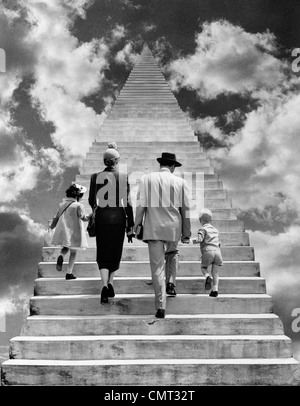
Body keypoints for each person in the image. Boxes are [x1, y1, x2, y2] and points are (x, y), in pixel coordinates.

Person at [134, 152, 191, 318]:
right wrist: (186, 233)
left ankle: (160, 306)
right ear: (172, 166)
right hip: (174, 228)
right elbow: (185, 210)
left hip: (153, 228)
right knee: (172, 254)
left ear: (161, 165)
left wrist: (137, 226)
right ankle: (171, 283)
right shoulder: (181, 182)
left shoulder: (146, 179)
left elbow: (140, 206)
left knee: (157, 268)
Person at [88, 142, 134, 304]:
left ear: (104, 161)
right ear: (117, 161)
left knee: (103, 251)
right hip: (118, 218)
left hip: (102, 216)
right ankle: (111, 283)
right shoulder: (122, 177)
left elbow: (91, 200)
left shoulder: (95, 177)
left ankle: (104, 285)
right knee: (115, 250)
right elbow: (127, 203)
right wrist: (131, 226)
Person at [51, 183, 90, 280]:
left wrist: (52, 227)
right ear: (78, 195)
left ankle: (61, 255)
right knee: (73, 252)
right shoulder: (79, 205)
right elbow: (83, 218)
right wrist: (91, 216)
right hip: (74, 232)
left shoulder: (62, 204)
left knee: (65, 248)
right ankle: (69, 273)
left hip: (64, 231)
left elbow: (56, 217)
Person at [192, 208, 223, 297]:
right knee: (215, 272)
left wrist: (191, 241)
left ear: (200, 220)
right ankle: (215, 290)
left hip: (208, 252)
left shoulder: (202, 229)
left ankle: (207, 277)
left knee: (204, 268)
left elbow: (199, 239)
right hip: (218, 253)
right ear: (211, 220)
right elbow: (219, 243)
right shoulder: (216, 230)